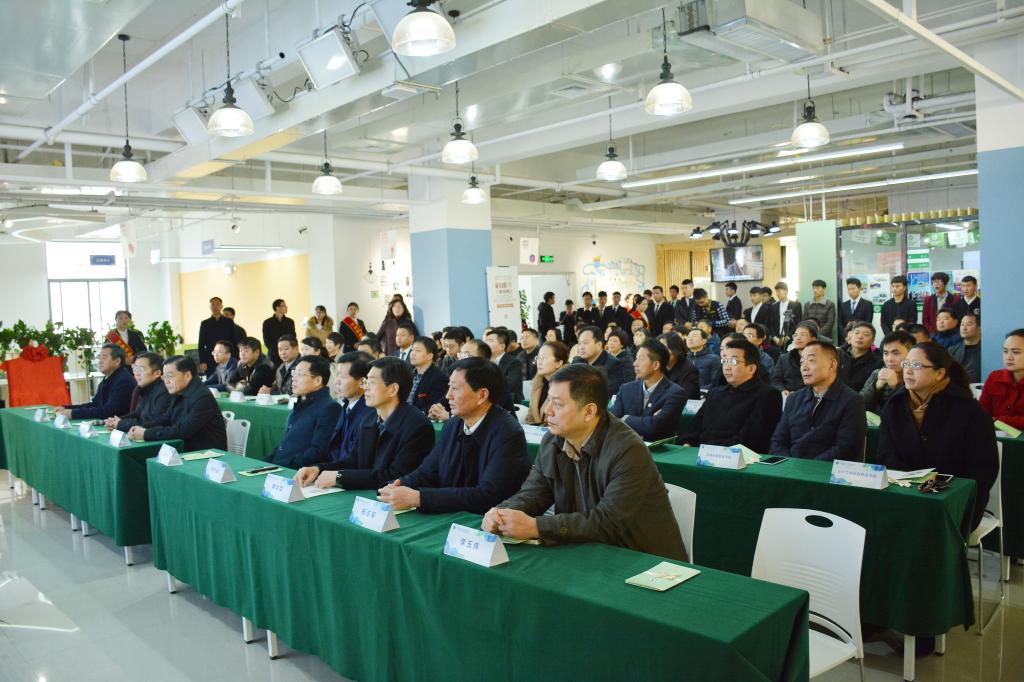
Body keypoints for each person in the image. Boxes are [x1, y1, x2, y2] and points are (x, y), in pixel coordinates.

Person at [484, 364, 686, 561]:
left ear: (589, 411)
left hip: (642, 559)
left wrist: (537, 527)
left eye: (558, 404)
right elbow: (535, 492)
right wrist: (502, 513)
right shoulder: (553, 440)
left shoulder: (628, 450)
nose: (547, 410)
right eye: (548, 400)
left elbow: (608, 522)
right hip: (586, 550)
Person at [377, 358, 531, 513]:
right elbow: (428, 472)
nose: (448, 396)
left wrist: (419, 498)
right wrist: (399, 485)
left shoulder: (508, 433)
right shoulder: (453, 425)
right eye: (449, 387)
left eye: (455, 389)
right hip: (455, 512)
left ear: (482, 395)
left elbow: (488, 495)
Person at [877, 342, 997, 528]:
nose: (908, 371)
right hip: (904, 493)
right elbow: (886, 454)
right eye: (907, 364)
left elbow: (983, 470)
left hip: (952, 499)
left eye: (916, 365)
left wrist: (936, 490)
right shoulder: (894, 405)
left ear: (940, 373)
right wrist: (908, 486)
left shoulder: (969, 411)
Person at [295, 357, 435, 490]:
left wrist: (340, 477)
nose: (365, 387)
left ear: (393, 389)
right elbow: (353, 462)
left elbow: (393, 476)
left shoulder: (418, 426)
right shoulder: (369, 419)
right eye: (366, 381)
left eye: (372, 382)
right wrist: (318, 469)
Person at [679, 338, 782, 453]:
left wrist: (710, 450)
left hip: (736, 458)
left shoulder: (768, 395)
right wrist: (687, 442)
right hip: (702, 454)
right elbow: (695, 427)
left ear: (751, 368)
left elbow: (751, 439)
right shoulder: (715, 393)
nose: (726, 367)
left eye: (733, 362)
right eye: (724, 361)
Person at [771, 340, 866, 461]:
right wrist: (788, 464)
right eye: (802, 362)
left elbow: (846, 447)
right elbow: (778, 440)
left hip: (825, 470)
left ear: (832, 365)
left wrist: (809, 467)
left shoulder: (852, 401)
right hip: (790, 466)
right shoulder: (794, 399)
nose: (804, 367)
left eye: (811, 360)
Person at [127, 356, 226, 451]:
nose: (166, 381)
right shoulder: (178, 391)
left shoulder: (202, 397)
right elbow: (165, 419)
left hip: (207, 453)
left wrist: (146, 433)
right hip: (185, 448)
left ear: (187, 375)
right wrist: (143, 428)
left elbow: (182, 430)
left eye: (170, 376)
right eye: (164, 377)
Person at [266, 356, 342, 469]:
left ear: (317, 381)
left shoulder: (330, 408)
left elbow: (318, 452)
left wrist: (281, 465)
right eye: (294, 373)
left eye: (300, 374)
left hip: (297, 472)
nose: (294, 379)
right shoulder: (302, 402)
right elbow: (284, 445)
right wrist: (265, 463)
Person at [307, 352, 374, 469]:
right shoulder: (347, 406)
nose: (336, 381)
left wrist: (322, 469)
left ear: (362, 382)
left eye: (342, 377)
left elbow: (353, 461)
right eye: (337, 375)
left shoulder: (370, 415)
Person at [609, 340, 686, 442]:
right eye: (636, 358)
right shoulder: (626, 389)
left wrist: (626, 418)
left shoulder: (675, 393)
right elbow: (611, 421)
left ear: (656, 365)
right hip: (627, 445)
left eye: (640, 359)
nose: (635, 364)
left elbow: (655, 426)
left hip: (658, 449)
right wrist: (649, 421)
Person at [55, 343, 134, 420]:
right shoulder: (109, 378)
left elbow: (109, 412)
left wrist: (74, 413)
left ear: (117, 361)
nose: (100, 361)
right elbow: (95, 405)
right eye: (99, 358)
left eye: (104, 358)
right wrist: (67, 408)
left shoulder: (124, 381)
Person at [106, 352, 172, 431]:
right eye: (135, 369)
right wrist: (117, 420)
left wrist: (120, 424)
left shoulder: (164, 392)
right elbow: (137, 414)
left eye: (141, 369)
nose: (136, 374)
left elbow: (153, 423)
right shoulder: (147, 389)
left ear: (157, 373)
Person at [861, 331, 915, 413]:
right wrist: (876, 386)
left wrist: (896, 387)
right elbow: (859, 405)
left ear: (911, 354)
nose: (889, 359)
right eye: (886, 353)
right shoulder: (877, 373)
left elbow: (915, 411)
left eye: (896, 353)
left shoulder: (917, 376)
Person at [570, 325, 634, 396]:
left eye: (585, 343)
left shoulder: (614, 365)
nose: (581, 347)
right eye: (579, 343)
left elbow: (605, 394)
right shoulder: (577, 362)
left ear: (599, 344)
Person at [980, 329, 1024, 429]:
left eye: (1016, 352)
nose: (1008, 357)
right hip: (994, 436)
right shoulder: (994, 377)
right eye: (1005, 351)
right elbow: (981, 414)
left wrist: (998, 421)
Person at [527, 341, 569, 426]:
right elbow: (530, 416)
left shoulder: (566, 386)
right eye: (538, 357)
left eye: (544, 358)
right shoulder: (538, 383)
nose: (539, 362)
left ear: (558, 363)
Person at [771, 321, 818, 395]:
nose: (798, 338)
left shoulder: (820, 359)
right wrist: (783, 390)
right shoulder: (784, 358)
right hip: (788, 397)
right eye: (795, 335)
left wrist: (798, 394)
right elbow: (775, 381)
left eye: (803, 335)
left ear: (813, 339)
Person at [408, 336, 449, 414]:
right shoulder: (409, 375)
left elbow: (433, 407)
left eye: (418, 351)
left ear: (429, 356)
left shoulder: (439, 378)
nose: (412, 353)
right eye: (412, 350)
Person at [198, 297, 238, 374]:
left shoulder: (229, 322)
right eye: (213, 304)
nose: (215, 306)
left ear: (221, 306)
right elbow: (201, 344)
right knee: (211, 379)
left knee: (228, 379)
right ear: (210, 307)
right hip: (211, 358)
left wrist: (236, 358)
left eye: (217, 304)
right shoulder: (205, 323)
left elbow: (234, 341)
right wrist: (202, 361)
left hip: (227, 357)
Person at [840, 322, 883, 392]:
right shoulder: (836, 355)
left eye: (866, 334)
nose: (860, 337)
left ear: (873, 341)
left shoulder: (878, 363)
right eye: (857, 333)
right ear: (850, 337)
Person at [486, 328, 524, 404]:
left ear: (502, 346)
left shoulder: (513, 363)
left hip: (510, 404)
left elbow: (509, 386)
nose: (486, 344)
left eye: (490, 341)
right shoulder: (484, 362)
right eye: (486, 341)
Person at [657, 332, 700, 399]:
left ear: (675, 349)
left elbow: (685, 397)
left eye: (664, 348)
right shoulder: (659, 368)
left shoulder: (689, 370)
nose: (660, 353)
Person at [261, 299, 296, 367]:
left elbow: (293, 337)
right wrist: (279, 350)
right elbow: (267, 340)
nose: (286, 307)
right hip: (274, 355)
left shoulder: (290, 322)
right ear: (277, 308)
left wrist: (288, 349)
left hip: (289, 354)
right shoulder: (267, 323)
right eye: (284, 305)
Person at [950, 313, 981, 383]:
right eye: (962, 324)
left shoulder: (985, 351)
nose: (964, 328)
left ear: (979, 328)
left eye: (968, 324)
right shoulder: (952, 351)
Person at [772, 282, 802, 349]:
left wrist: (788, 337)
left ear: (786, 291)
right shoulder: (774, 306)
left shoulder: (795, 305)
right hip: (776, 339)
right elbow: (771, 324)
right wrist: (774, 337)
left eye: (779, 291)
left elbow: (798, 323)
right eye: (776, 292)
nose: (777, 294)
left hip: (790, 338)